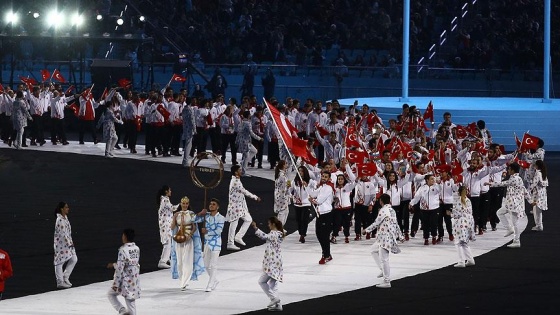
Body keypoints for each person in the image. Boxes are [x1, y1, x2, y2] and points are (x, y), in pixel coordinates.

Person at [364, 194, 404, 289]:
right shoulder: (392, 210)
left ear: (381, 201)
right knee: (373, 250)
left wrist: (366, 230)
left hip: (385, 237)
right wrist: (400, 236)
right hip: (385, 236)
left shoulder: (383, 210)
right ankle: (382, 269)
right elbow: (396, 224)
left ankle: (387, 281)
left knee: (384, 259)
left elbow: (376, 223)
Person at [169, 197, 206, 290]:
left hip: (188, 240)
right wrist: (174, 217)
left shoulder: (191, 214)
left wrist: (190, 235)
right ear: (181, 204)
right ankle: (182, 280)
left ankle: (184, 282)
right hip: (179, 240)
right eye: (183, 203)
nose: (185, 205)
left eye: (186, 204)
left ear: (188, 204)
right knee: (179, 262)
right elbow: (172, 227)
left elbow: (194, 226)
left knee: (187, 261)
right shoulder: (177, 214)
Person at [489, 163, 526, 248]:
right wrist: (530, 200)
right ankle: (509, 229)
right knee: (499, 212)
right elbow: (524, 190)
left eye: (509, 169)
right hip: (510, 203)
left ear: (513, 170)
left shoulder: (515, 179)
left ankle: (517, 241)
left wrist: (491, 184)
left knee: (515, 223)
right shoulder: (517, 178)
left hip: (514, 204)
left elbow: (503, 183)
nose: (508, 170)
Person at [251, 217, 285, 312]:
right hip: (277, 261)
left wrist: (255, 228)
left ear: (273, 224)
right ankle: (278, 305)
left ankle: (274, 299)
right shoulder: (279, 233)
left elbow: (265, 237)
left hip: (272, 262)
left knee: (261, 281)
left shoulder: (274, 233)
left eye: (269, 223)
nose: (268, 225)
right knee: (273, 284)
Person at [225, 165, 262, 250]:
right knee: (233, 224)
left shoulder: (237, 180)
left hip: (239, 206)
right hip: (235, 207)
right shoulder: (235, 182)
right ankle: (230, 243)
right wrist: (255, 197)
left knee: (248, 219)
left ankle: (238, 237)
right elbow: (244, 192)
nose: (241, 171)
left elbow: (241, 195)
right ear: (235, 172)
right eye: (239, 170)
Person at [106, 228, 140, 315]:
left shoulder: (123, 250)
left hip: (125, 281)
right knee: (130, 301)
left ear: (125, 236)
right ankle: (122, 311)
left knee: (128, 301)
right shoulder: (136, 248)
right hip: (134, 280)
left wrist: (115, 284)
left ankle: (122, 310)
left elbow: (120, 268)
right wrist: (114, 264)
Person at [308, 171, 335, 264]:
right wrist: (306, 186)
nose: (323, 178)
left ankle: (326, 255)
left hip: (326, 214)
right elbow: (312, 194)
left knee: (324, 236)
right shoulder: (321, 187)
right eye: (323, 176)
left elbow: (319, 200)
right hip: (320, 214)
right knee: (318, 234)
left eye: (326, 177)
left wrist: (313, 200)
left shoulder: (328, 188)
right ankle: (326, 253)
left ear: (329, 178)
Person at [201, 198, 225, 292]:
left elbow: (219, 231)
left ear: (217, 207)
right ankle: (214, 280)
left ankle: (210, 285)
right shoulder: (206, 216)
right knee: (206, 265)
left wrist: (207, 231)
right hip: (207, 242)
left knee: (213, 265)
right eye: (210, 204)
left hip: (216, 244)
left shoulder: (221, 218)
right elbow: (194, 219)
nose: (211, 205)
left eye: (213, 204)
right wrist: (201, 213)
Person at [450, 186, 476, 268]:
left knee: (458, 242)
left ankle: (461, 261)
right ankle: (470, 260)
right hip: (469, 222)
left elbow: (457, 214)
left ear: (458, 192)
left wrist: (450, 214)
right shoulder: (468, 200)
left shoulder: (458, 201)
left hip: (461, 223)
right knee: (464, 242)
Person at [53, 202, 77, 289]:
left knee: (74, 259)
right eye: (66, 207)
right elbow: (63, 234)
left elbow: (67, 232)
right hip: (61, 244)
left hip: (67, 243)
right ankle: (60, 281)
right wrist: (70, 243)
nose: (68, 208)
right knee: (59, 262)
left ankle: (65, 277)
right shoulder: (59, 220)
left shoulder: (65, 218)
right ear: (62, 209)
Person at [290, 165, 317, 243]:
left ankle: (303, 234)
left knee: (304, 219)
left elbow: (316, 187)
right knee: (298, 219)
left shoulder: (310, 181)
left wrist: (307, 185)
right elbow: (290, 191)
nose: (300, 172)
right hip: (297, 204)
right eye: (299, 171)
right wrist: (291, 195)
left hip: (306, 203)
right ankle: (300, 232)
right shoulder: (294, 182)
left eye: (302, 171)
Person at [236, 111, 262, 176]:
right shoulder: (248, 123)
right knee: (246, 156)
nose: (250, 115)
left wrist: (237, 141)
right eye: (249, 114)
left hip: (242, 141)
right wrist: (259, 138)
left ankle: (244, 162)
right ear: (248, 115)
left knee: (254, 151)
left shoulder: (241, 122)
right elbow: (252, 133)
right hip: (246, 142)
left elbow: (238, 133)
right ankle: (243, 172)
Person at [157, 185, 176, 268]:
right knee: (167, 242)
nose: (170, 192)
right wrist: (181, 205)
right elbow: (172, 208)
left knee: (169, 242)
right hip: (165, 225)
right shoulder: (165, 200)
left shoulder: (164, 199)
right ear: (166, 191)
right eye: (169, 190)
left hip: (166, 224)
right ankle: (162, 261)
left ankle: (167, 258)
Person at [527, 160, 548, 231]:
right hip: (543, 193)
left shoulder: (538, 173)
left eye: (535, 165)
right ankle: (539, 225)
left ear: (537, 166)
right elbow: (546, 183)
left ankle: (538, 226)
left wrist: (527, 191)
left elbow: (534, 184)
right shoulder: (543, 172)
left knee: (536, 210)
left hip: (537, 194)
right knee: (538, 210)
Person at [274, 161, 290, 227]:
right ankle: (279, 227)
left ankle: (280, 227)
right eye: (286, 163)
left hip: (281, 195)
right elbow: (283, 188)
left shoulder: (282, 174)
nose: (287, 164)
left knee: (286, 211)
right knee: (282, 212)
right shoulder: (282, 176)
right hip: (282, 196)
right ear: (283, 165)